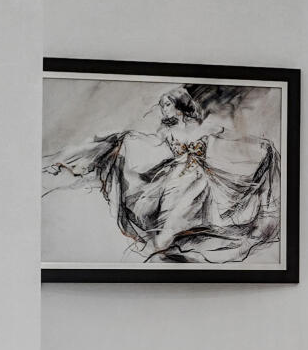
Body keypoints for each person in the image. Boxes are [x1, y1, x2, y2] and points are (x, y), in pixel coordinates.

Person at [43, 83, 283, 264]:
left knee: (180, 217)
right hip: (173, 179)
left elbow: (230, 139)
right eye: (161, 105)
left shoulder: (204, 127)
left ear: (180, 106)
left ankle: (167, 248)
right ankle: (163, 249)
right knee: (166, 215)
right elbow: (151, 144)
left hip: (200, 181)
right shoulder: (166, 132)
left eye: (166, 104)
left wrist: (259, 146)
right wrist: (126, 139)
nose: (162, 109)